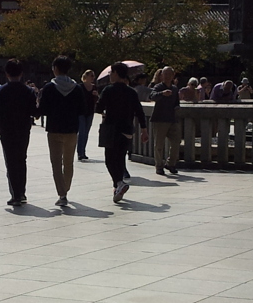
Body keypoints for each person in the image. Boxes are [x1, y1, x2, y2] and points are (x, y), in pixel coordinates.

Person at [38, 55, 86, 206]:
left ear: (56, 69)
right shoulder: (77, 88)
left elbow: (42, 110)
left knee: (56, 163)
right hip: (72, 129)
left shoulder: (49, 88)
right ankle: (66, 188)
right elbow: (82, 109)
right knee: (69, 162)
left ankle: (62, 193)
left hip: (54, 129)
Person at [96, 62, 147, 203]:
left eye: (111, 73)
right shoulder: (131, 92)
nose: (110, 76)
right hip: (127, 130)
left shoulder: (108, 90)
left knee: (109, 159)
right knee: (120, 158)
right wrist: (144, 129)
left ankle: (119, 183)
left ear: (117, 73)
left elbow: (99, 108)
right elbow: (139, 111)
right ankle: (117, 188)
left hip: (112, 129)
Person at [0, 58, 37, 206]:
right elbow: (34, 112)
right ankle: (21, 192)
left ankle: (15, 194)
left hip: (7, 130)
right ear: (21, 73)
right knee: (21, 159)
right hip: (23, 129)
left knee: (10, 161)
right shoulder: (28, 91)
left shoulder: (1, 91)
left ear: (6, 73)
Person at [149, 66, 182, 177]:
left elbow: (177, 102)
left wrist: (177, 107)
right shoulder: (158, 87)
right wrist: (162, 94)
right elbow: (152, 96)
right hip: (160, 119)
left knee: (176, 142)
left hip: (172, 119)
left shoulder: (174, 88)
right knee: (159, 144)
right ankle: (159, 166)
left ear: (173, 76)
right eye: (165, 74)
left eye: (169, 74)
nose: (167, 76)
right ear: (161, 75)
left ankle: (171, 163)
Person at [77, 69, 97, 160]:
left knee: (86, 133)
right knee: (81, 132)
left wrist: (97, 95)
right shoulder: (80, 87)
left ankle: (83, 151)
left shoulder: (94, 87)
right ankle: (80, 152)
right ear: (86, 77)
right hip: (81, 112)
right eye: (91, 76)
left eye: (93, 76)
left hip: (90, 112)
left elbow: (98, 101)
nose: (93, 78)